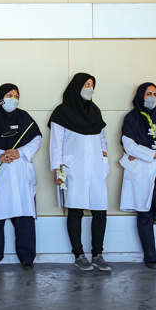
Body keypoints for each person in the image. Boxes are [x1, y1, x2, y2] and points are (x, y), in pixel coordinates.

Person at [0, 83, 42, 270]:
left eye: (16, 96)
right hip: (0, 170)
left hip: (21, 170)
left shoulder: (25, 118)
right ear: (1, 98)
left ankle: (27, 257)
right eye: (9, 95)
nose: (13, 99)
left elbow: (37, 138)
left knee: (24, 215)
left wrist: (20, 152)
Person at [49, 73, 111, 272]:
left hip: (96, 168)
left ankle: (98, 254)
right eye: (86, 84)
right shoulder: (62, 112)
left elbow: (102, 139)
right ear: (77, 86)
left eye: (92, 84)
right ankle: (79, 255)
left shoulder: (95, 111)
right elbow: (56, 143)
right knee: (75, 211)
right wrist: (57, 169)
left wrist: (104, 161)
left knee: (100, 211)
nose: (89, 88)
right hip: (73, 168)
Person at [119, 83, 156, 270]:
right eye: (148, 93)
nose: (152, 97)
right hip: (140, 170)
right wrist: (153, 154)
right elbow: (129, 146)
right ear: (140, 96)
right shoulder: (131, 118)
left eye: (155, 94)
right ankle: (150, 257)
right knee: (143, 213)